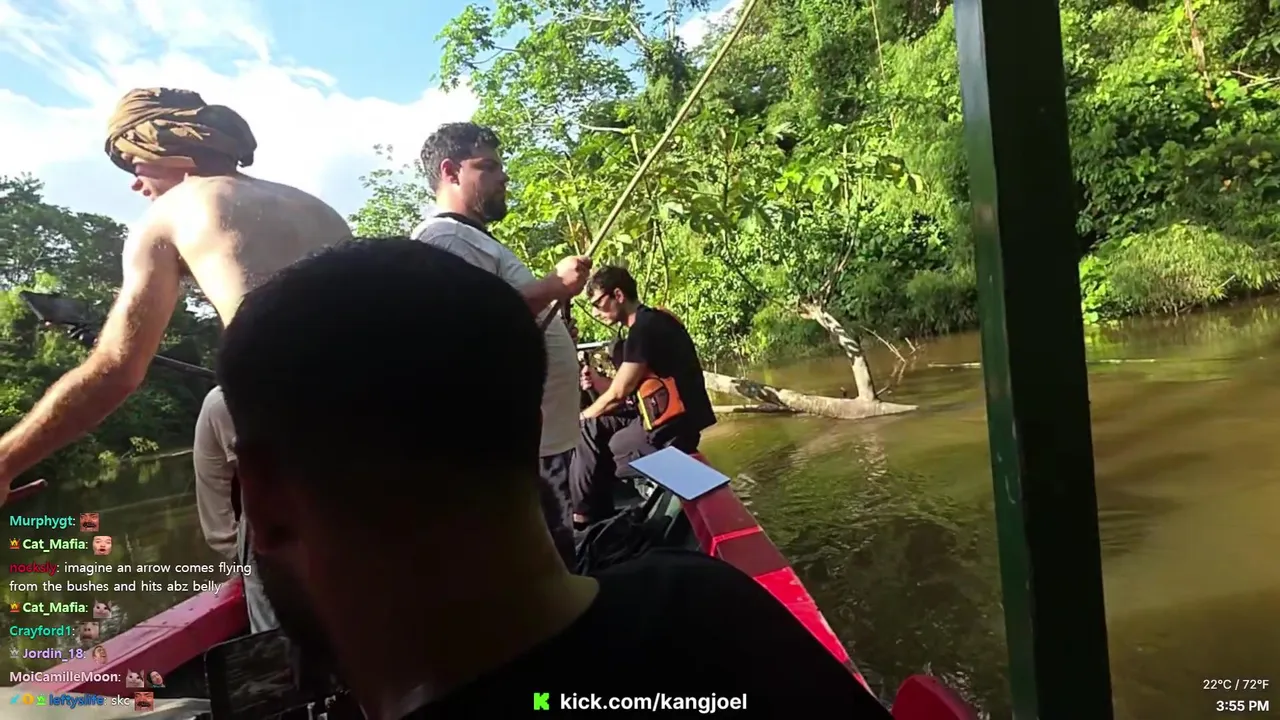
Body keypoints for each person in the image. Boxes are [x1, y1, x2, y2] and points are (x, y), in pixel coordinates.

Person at [216, 239, 890, 719]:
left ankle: (588, 512)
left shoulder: (647, 329)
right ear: (533, 428)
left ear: (264, 503)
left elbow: (621, 393)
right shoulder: (708, 602)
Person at [0, 87, 352, 504]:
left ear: (168, 148)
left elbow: (116, 369)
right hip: (400, 406)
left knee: (220, 408)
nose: (136, 184)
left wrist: (5, 462)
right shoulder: (314, 206)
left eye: (135, 163)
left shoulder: (171, 212)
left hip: (303, 431)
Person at [410, 122, 589, 566]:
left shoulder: (470, 239)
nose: (503, 176)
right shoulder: (445, 238)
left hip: (541, 441)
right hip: (521, 448)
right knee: (547, 563)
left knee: (556, 553)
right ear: (450, 172)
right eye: (487, 167)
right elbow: (472, 324)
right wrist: (552, 286)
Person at [572, 266, 717, 525]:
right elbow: (633, 390)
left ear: (618, 295)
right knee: (594, 428)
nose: (595, 312)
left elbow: (619, 393)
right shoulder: (654, 320)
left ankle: (584, 521)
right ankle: (590, 514)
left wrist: (581, 417)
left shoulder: (643, 329)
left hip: (671, 431)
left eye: (597, 304)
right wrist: (597, 384)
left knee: (607, 448)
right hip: (669, 420)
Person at [193, 385, 279, 633]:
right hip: (241, 535)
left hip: (259, 525)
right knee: (271, 627)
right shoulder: (225, 403)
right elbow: (264, 480)